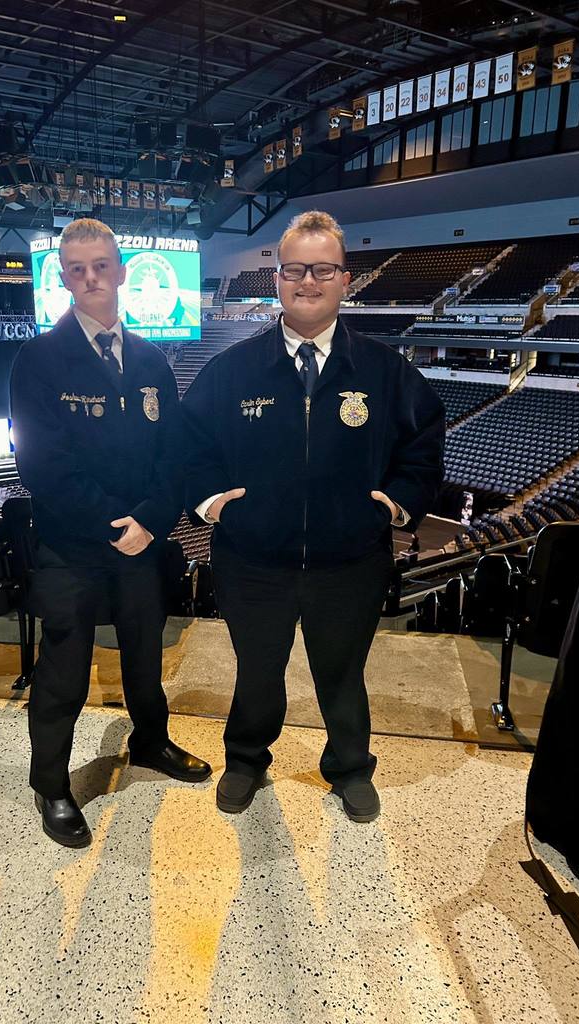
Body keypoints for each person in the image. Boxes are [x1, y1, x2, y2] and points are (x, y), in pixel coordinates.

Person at [181, 211, 445, 822]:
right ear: (276, 279)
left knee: (343, 674)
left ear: (345, 279)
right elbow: (190, 451)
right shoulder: (231, 370)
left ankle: (350, 767)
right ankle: (246, 759)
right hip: (253, 561)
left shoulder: (385, 370)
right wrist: (211, 503)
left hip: (350, 562)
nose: (308, 281)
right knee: (257, 674)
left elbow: (424, 447)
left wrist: (398, 502)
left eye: (322, 269)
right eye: (295, 269)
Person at [10, 218, 210, 849]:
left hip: (141, 546)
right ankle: (51, 784)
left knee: (146, 663)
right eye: (77, 269)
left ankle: (150, 743)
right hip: (72, 549)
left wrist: (150, 522)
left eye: (101, 265)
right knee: (62, 674)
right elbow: (43, 466)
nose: (91, 278)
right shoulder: (38, 359)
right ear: (64, 278)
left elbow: (174, 457)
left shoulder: (152, 359)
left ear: (122, 270)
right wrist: (111, 525)